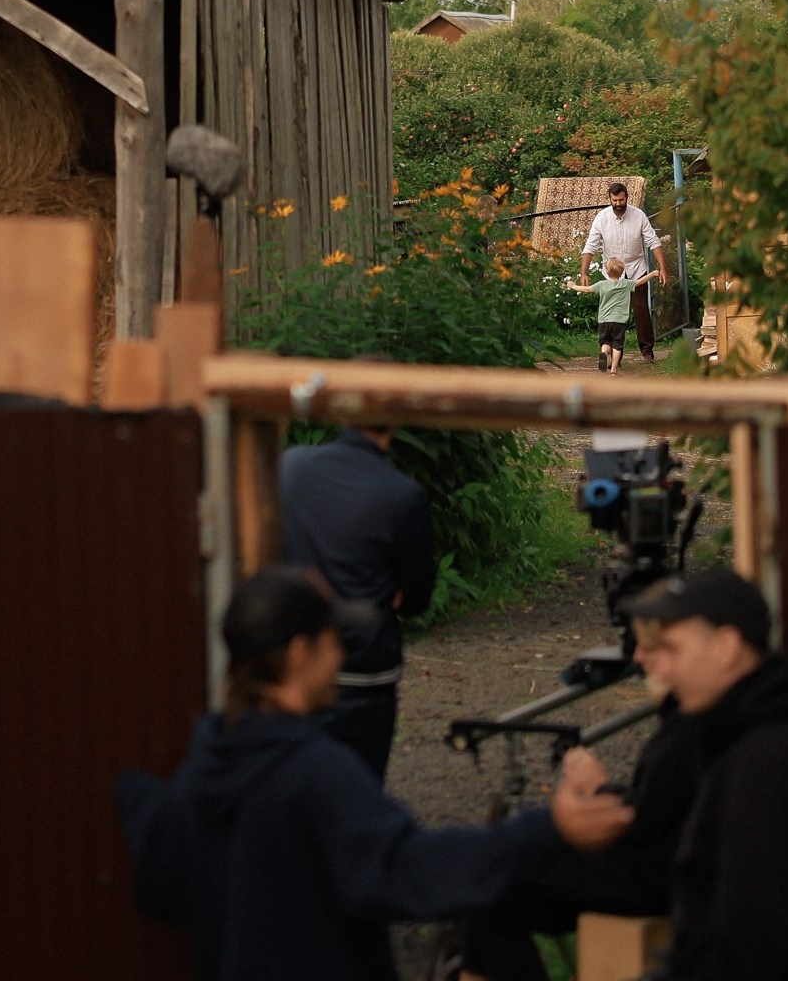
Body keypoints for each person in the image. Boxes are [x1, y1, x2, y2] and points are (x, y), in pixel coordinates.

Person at [116, 567, 636, 981]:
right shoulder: (314, 770)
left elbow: (164, 883)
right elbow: (410, 872)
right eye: (333, 639)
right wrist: (548, 829)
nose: (342, 653)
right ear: (301, 653)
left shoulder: (208, 761)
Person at [621, 569, 788, 981]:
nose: (656, 667)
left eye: (672, 648)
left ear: (727, 647)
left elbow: (746, 948)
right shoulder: (735, 735)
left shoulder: (765, 763)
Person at [454, 626, 710, 981]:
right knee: (494, 884)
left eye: (655, 650)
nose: (638, 660)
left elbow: (645, 821)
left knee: (495, 890)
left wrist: (597, 789)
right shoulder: (696, 715)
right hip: (656, 860)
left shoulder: (697, 728)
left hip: (656, 873)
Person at [278, 418, 435, 782]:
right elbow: (416, 599)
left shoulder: (291, 465)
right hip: (363, 673)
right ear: (395, 419)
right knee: (357, 790)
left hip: (295, 659)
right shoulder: (401, 493)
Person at [580, 183, 669, 363]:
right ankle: (613, 356)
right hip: (613, 274)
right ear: (609, 199)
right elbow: (591, 246)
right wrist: (584, 272)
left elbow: (653, 242)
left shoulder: (638, 216)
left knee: (641, 310)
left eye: (621, 199)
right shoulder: (601, 218)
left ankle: (647, 352)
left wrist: (663, 268)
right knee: (612, 314)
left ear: (627, 197)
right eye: (614, 200)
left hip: (637, 269)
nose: (618, 203)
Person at [566, 257, 659, 373]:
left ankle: (604, 353)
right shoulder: (626, 284)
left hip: (604, 320)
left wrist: (572, 286)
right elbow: (641, 281)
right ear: (622, 273)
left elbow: (586, 289)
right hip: (619, 320)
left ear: (606, 271)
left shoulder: (602, 284)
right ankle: (614, 370)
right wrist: (653, 273)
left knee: (605, 342)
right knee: (617, 345)